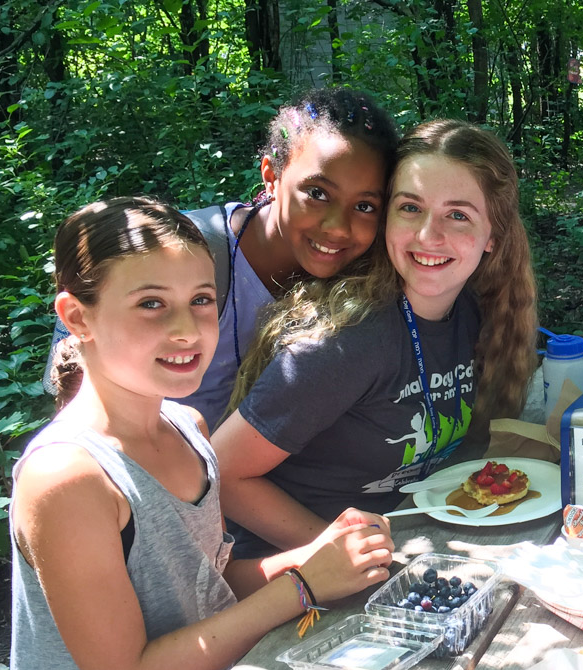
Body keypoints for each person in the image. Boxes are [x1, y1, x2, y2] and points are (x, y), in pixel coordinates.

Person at [10, 197, 396, 670]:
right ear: (77, 317)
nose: (187, 330)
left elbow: (204, 586)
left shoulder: (188, 429)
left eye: (201, 299)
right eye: (151, 303)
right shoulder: (68, 478)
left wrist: (319, 555)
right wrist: (302, 587)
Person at [213, 119, 538, 558]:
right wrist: (333, 551)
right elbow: (221, 472)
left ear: (492, 238)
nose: (428, 235)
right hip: (295, 573)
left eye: (457, 215)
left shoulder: (478, 316)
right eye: (410, 208)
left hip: (412, 543)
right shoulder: (346, 343)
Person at [42, 88, 399, 429]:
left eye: (365, 206)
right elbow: (77, 392)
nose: (338, 228)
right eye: (317, 193)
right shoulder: (184, 252)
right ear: (271, 176)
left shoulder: (366, 279)